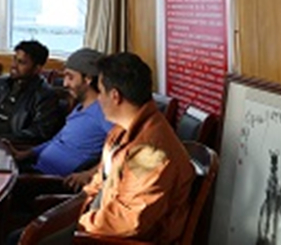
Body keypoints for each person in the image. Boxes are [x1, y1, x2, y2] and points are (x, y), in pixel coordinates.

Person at [77, 52, 194, 242]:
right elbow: (100, 182)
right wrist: (72, 213)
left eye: (101, 92)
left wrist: (80, 224)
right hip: (98, 227)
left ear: (115, 96)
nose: (98, 99)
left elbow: (127, 219)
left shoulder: (150, 151)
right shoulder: (121, 129)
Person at [9, 47, 113, 176]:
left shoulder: (103, 112)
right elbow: (58, 140)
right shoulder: (79, 108)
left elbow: (121, 153)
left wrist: (89, 174)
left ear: (87, 79)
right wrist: (26, 153)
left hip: (50, 180)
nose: (65, 84)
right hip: (35, 167)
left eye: (70, 77)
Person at [0, 39, 64, 145]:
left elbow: (38, 132)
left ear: (37, 69)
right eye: (14, 59)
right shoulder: (1, 83)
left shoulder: (45, 95)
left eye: (21, 62)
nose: (14, 65)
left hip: (12, 145)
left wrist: (2, 140)